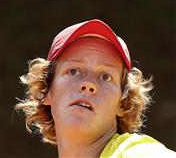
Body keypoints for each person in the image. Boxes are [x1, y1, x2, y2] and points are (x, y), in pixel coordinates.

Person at [15, 19, 175, 157]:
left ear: (122, 103)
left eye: (105, 76)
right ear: (46, 90)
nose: (88, 84)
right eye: (73, 71)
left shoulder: (135, 152)